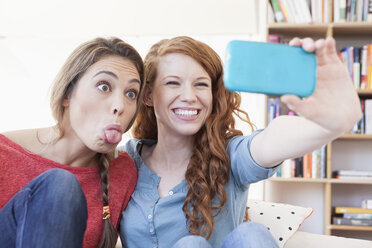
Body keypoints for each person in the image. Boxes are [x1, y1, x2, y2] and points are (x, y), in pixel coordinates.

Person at [118, 36, 362, 248]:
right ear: (148, 95)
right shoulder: (124, 160)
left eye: (201, 85)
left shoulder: (228, 156)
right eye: (173, 83)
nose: (190, 97)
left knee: (250, 234)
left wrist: (332, 121)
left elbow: (270, 141)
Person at [0, 37, 145, 248]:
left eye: (131, 93)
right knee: (61, 185)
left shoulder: (122, 171)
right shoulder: (4, 154)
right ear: (67, 94)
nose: (119, 105)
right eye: (104, 86)